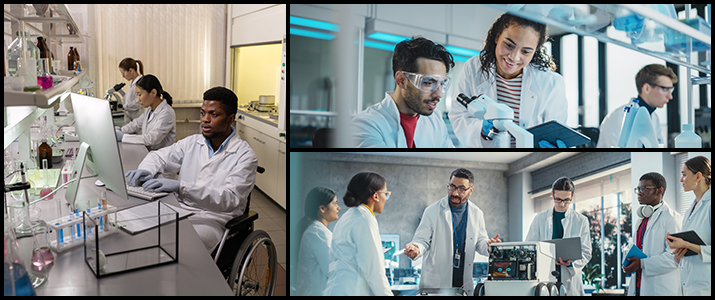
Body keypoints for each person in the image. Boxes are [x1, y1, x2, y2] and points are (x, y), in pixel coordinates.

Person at [124, 87, 257, 252]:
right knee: (138, 225)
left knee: (175, 244)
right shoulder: (192, 142)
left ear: (230, 119)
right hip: (181, 209)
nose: (205, 120)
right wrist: (147, 170)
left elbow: (229, 199)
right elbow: (158, 156)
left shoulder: (245, 156)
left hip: (212, 221)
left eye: (213, 115)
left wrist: (181, 187)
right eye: (203, 113)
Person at [450, 13, 567, 148]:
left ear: (535, 51)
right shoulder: (473, 68)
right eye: (509, 45)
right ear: (497, 36)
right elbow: (459, 117)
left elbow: (557, 133)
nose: (514, 57)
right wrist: (481, 130)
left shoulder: (551, 83)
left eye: (526, 52)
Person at [404, 168, 501, 296]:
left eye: (461, 189)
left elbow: (480, 242)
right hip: (436, 286)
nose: (455, 193)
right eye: (452, 187)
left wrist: (489, 246)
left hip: (463, 286)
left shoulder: (477, 213)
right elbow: (422, 240)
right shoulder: (432, 211)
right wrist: (416, 248)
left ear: (470, 190)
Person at [353, 37, 455, 148]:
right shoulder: (366, 126)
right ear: (401, 80)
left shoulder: (436, 121)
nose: (439, 94)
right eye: (428, 83)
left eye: (441, 83)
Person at [324, 172, 392, 296]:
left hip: (338, 288)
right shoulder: (365, 219)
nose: (386, 199)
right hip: (351, 290)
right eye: (386, 194)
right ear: (375, 196)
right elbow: (374, 271)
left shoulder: (349, 216)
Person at [525, 177, 591, 296]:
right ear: (552, 195)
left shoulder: (581, 221)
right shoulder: (540, 219)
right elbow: (529, 247)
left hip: (570, 279)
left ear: (573, 196)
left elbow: (586, 252)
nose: (562, 204)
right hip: (546, 277)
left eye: (567, 200)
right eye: (558, 200)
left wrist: (570, 263)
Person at [624, 172, 681, 296]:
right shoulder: (642, 220)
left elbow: (675, 257)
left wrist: (642, 263)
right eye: (638, 189)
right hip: (638, 286)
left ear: (659, 191)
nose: (639, 192)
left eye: (644, 188)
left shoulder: (672, 218)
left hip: (660, 289)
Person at [597, 64, 677, 148]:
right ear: (647, 88)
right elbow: (619, 157)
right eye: (665, 89)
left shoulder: (654, 117)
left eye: (671, 89)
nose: (670, 96)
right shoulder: (618, 117)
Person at [666, 155, 711, 296]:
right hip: (688, 285)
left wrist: (687, 244)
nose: (681, 180)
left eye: (684, 175)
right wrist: (680, 255)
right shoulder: (688, 211)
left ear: (698, 176)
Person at [296, 187, 340, 296]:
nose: (338, 208)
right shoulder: (318, 233)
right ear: (322, 208)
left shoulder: (317, 230)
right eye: (335, 204)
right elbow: (333, 269)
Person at [115, 74, 176, 151]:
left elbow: (152, 139)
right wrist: (120, 130)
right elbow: (136, 124)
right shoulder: (150, 110)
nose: (138, 99)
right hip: (150, 153)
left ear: (153, 92)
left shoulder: (167, 113)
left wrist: (123, 137)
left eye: (140, 94)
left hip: (162, 158)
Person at [118, 57, 145, 122]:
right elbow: (127, 99)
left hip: (138, 120)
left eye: (123, 73)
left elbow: (137, 103)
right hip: (132, 120)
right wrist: (120, 91)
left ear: (130, 70)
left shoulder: (140, 83)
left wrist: (123, 106)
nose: (123, 76)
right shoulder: (133, 83)